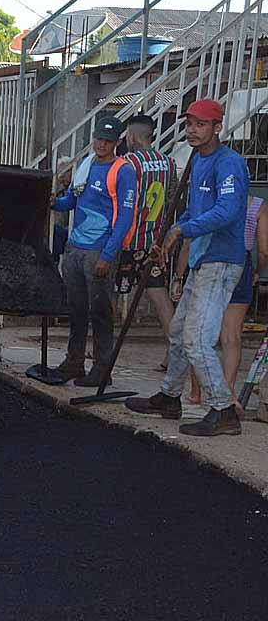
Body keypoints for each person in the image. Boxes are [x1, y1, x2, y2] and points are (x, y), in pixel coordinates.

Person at [126, 98, 250, 436]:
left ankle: (223, 409)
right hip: (202, 260)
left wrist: (183, 230)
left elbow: (227, 212)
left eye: (201, 124)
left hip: (222, 261)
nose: (193, 130)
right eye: (189, 124)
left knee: (196, 339)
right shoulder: (199, 161)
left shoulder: (229, 164)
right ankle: (169, 396)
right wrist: (169, 233)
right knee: (180, 334)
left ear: (217, 127)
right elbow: (194, 212)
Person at [51, 116, 138, 387]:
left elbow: (125, 216)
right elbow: (73, 201)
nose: (102, 144)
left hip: (99, 250)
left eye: (108, 141)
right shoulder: (86, 165)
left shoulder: (123, 171)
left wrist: (108, 255)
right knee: (76, 309)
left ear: (118, 142)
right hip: (76, 247)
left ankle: (102, 367)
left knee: (100, 312)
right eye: (99, 139)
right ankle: (74, 361)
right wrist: (55, 203)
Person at [181, 191, 268, 411]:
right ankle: (229, 393)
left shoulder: (212, 204)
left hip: (211, 261)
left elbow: (190, 240)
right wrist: (257, 271)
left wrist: (179, 275)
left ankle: (196, 392)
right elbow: (264, 250)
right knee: (232, 336)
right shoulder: (257, 206)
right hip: (242, 263)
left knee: (200, 333)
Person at [114, 114, 177, 370]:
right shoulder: (169, 164)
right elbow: (173, 201)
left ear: (132, 137)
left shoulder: (127, 163)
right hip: (154, 242)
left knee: (109, 293)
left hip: (128, 240)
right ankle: (174, 353)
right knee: (159, 295)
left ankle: (102, 351)